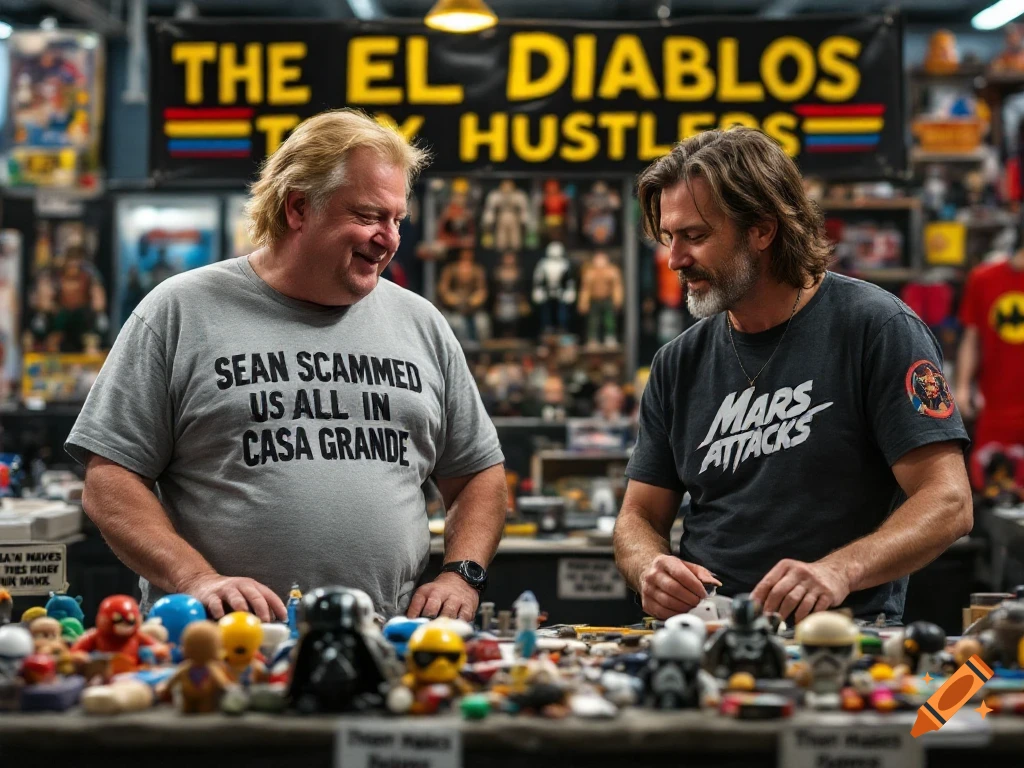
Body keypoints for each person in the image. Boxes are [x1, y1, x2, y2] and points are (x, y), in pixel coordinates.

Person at [67, 109, 507, 624]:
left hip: (385, 640)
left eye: (396, 220)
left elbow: (479, 475)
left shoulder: (420, 323)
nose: (388, 238)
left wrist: (462, 572)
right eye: (368, 216)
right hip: (216, 644)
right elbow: (109, 481)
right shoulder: (180, 311)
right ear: (298, 208)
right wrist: (198, 579)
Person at [614, 127, 972, 625]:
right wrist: (648, 565)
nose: (676, 260)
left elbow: (949, 501)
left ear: (762, 230)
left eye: (695, 236)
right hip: (708, 634)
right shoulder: (678, 362)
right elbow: (639, 517)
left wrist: (839, 571)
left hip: (840, 641)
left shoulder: (876, 328)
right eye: (669, 238)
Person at [956, 247, 1024, 490]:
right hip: (997, 405)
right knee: (994, 488)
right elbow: (971, 338)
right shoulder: (984, 278)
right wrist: (963, 386)